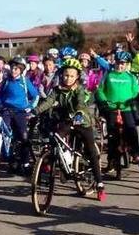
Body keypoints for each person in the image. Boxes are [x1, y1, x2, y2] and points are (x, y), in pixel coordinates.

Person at [34, 58, 106, 201]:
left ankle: (99, 183)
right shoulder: (57, 89)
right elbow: (48, 101)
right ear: (61, 75)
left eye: (72, 76)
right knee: (56, 137)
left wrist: (79, 113)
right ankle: (55, 163)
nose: (68, 78)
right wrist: (35, 111)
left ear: (77, 77)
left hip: (82, 122)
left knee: (91, 151)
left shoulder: (79, 89)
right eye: (66, 75)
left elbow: (80, 103)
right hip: (67, 120)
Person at [95, 50, 139, 171]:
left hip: (126, 108)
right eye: (117, 63)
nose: (119, 66)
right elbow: (100, 90)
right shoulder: (108, 75)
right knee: (112, 134)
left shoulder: (131, 77)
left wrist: (133, 100)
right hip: (111, 108)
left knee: (131, 128)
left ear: (126, 64)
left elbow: (136, 91)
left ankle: (135, 152)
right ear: (114, 62)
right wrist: (104, 100)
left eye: (122, 63)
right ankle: (111, 159)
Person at [0, 56, 39, 174]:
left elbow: (35, 95)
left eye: (17, 69)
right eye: (12, 68)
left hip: (20, 112)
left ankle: (25, 162)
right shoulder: (6, 80)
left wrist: (30, 107)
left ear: (21, 70)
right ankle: (8, 158)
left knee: (24, 137)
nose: (14, 71)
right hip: (7, 111)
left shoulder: (25, 81)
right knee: (5, 133)